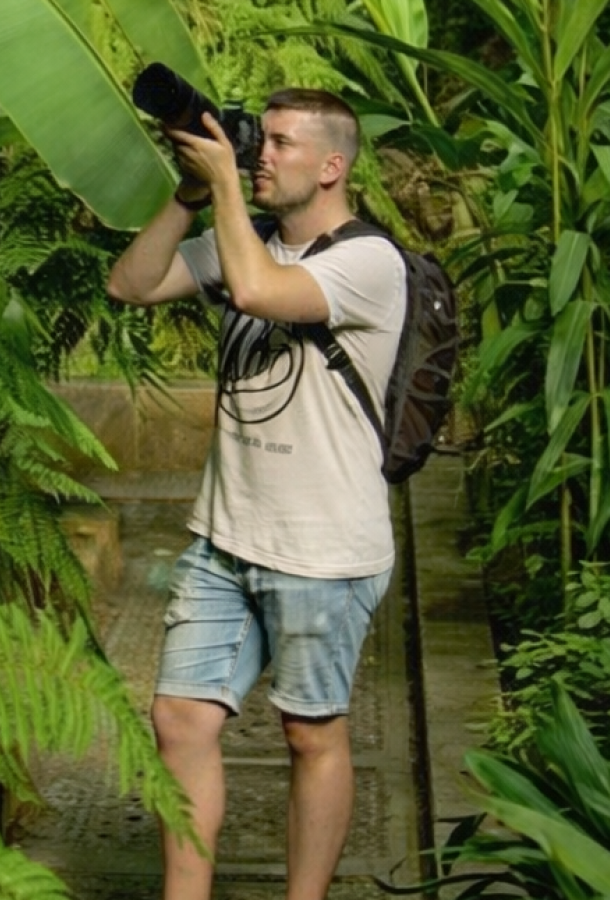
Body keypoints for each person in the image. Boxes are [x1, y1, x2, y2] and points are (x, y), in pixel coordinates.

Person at [106, 87, 406, 900]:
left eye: (281, 144)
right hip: (224, 541)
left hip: (325, 551)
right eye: (258, 140)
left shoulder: (370, 262)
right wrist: (191, 194)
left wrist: (230, 194)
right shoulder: (249, 236)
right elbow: (130, 285)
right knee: (180, 721)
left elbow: (259, 294)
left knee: (310, 735)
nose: (261, 154)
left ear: (334, 166)